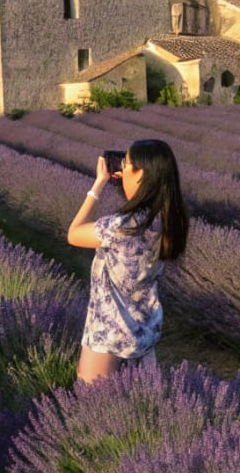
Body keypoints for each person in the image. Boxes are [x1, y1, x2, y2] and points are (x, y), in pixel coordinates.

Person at [67, 139, 188, 383]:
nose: (122, 169)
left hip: (109, 336)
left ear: (140, 174)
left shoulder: (121, 227)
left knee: (94, 410)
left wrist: (98, 184)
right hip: (144, 333)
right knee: (141, 407)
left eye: (127, 163)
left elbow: (74, 233)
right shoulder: (167, 222)